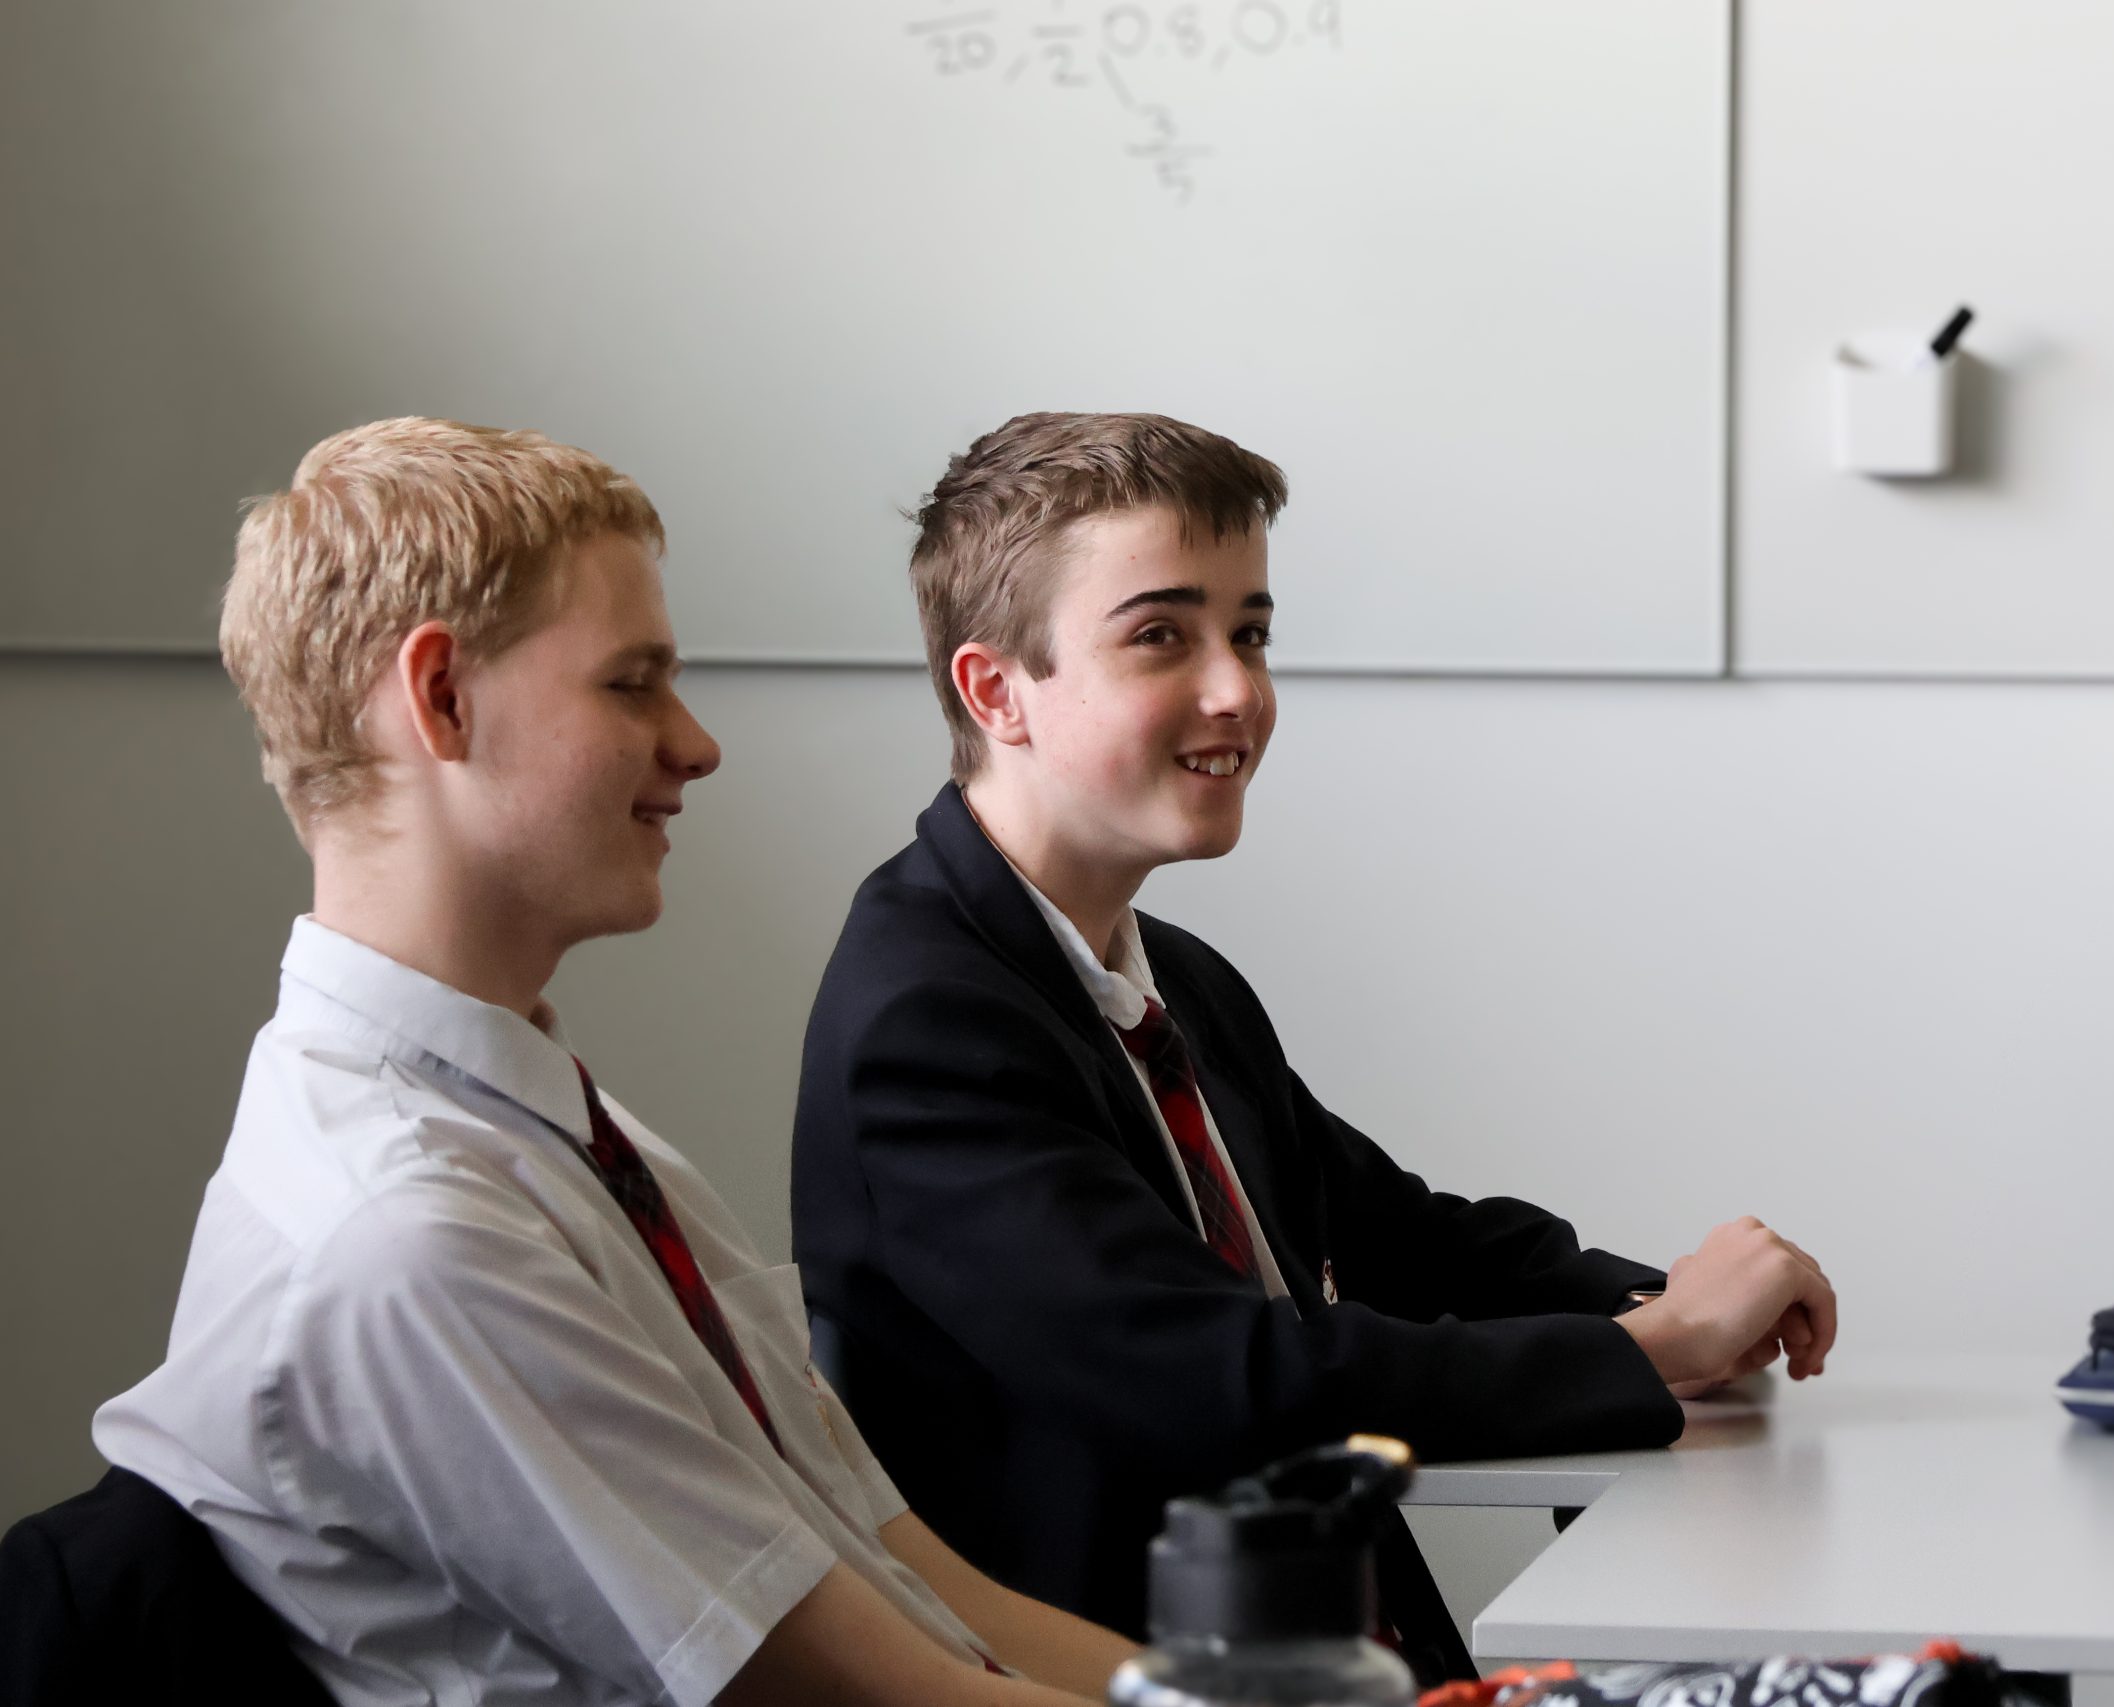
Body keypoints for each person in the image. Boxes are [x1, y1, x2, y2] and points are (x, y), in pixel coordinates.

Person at [94, 418, 1138, 1707]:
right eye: (630, 683)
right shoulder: (412, 1232)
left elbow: (916, 1584)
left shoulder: (560, 1131)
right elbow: (880, 1698)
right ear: (440, 699)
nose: (694, 744)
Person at [792, 411, 1839, 1682]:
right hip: (1121, 1677)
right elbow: (1212, 1379)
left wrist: (1656, 1302)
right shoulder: (927, 1015)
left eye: (1249, 633)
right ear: (994, 689)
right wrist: (1643, 1353)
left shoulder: (1169, 971)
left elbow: (1404, 1238)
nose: (1237, 689)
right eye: (1160, 636)